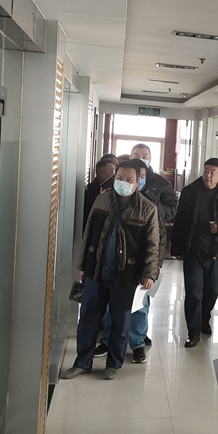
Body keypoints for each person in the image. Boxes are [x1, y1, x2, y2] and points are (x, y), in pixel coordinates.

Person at [62, 158, 159, 380]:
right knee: (87, 319)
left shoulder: (147, 209)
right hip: (96, 270)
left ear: (137, 183)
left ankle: (114, 364)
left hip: (126, 274)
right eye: (120, 178)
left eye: (129, 179)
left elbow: (153, 245)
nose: (123, 182)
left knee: (120, 322)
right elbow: (88, 233)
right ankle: (82, 362)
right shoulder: (102, 200)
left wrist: (149, 274)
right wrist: (83, 266)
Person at [170, 157, 218, 347]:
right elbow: (180, 220)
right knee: (194, 292)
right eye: (206, 170)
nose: (208, 175)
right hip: (193, 250)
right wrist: (177, 248)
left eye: (212, 172)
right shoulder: (190, 191)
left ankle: (204, 319)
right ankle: (193, 332)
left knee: (213, 290)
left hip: (214, 251)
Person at [126, 144, 178, 359]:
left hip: (151, 244)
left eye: (145, 156)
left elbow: (172, 209)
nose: (141, 158)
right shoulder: (123, 179)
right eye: (137, 155)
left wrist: (151, 206)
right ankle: (110, 338)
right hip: (123, 247)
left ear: (151, 158)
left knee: (142, 294)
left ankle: (138, 339)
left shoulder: (160, 183)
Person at [83, 156, 116, 229]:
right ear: (102, 175)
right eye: (112, 171)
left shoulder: (113, 190)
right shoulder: (91, 194)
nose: (114, 175)